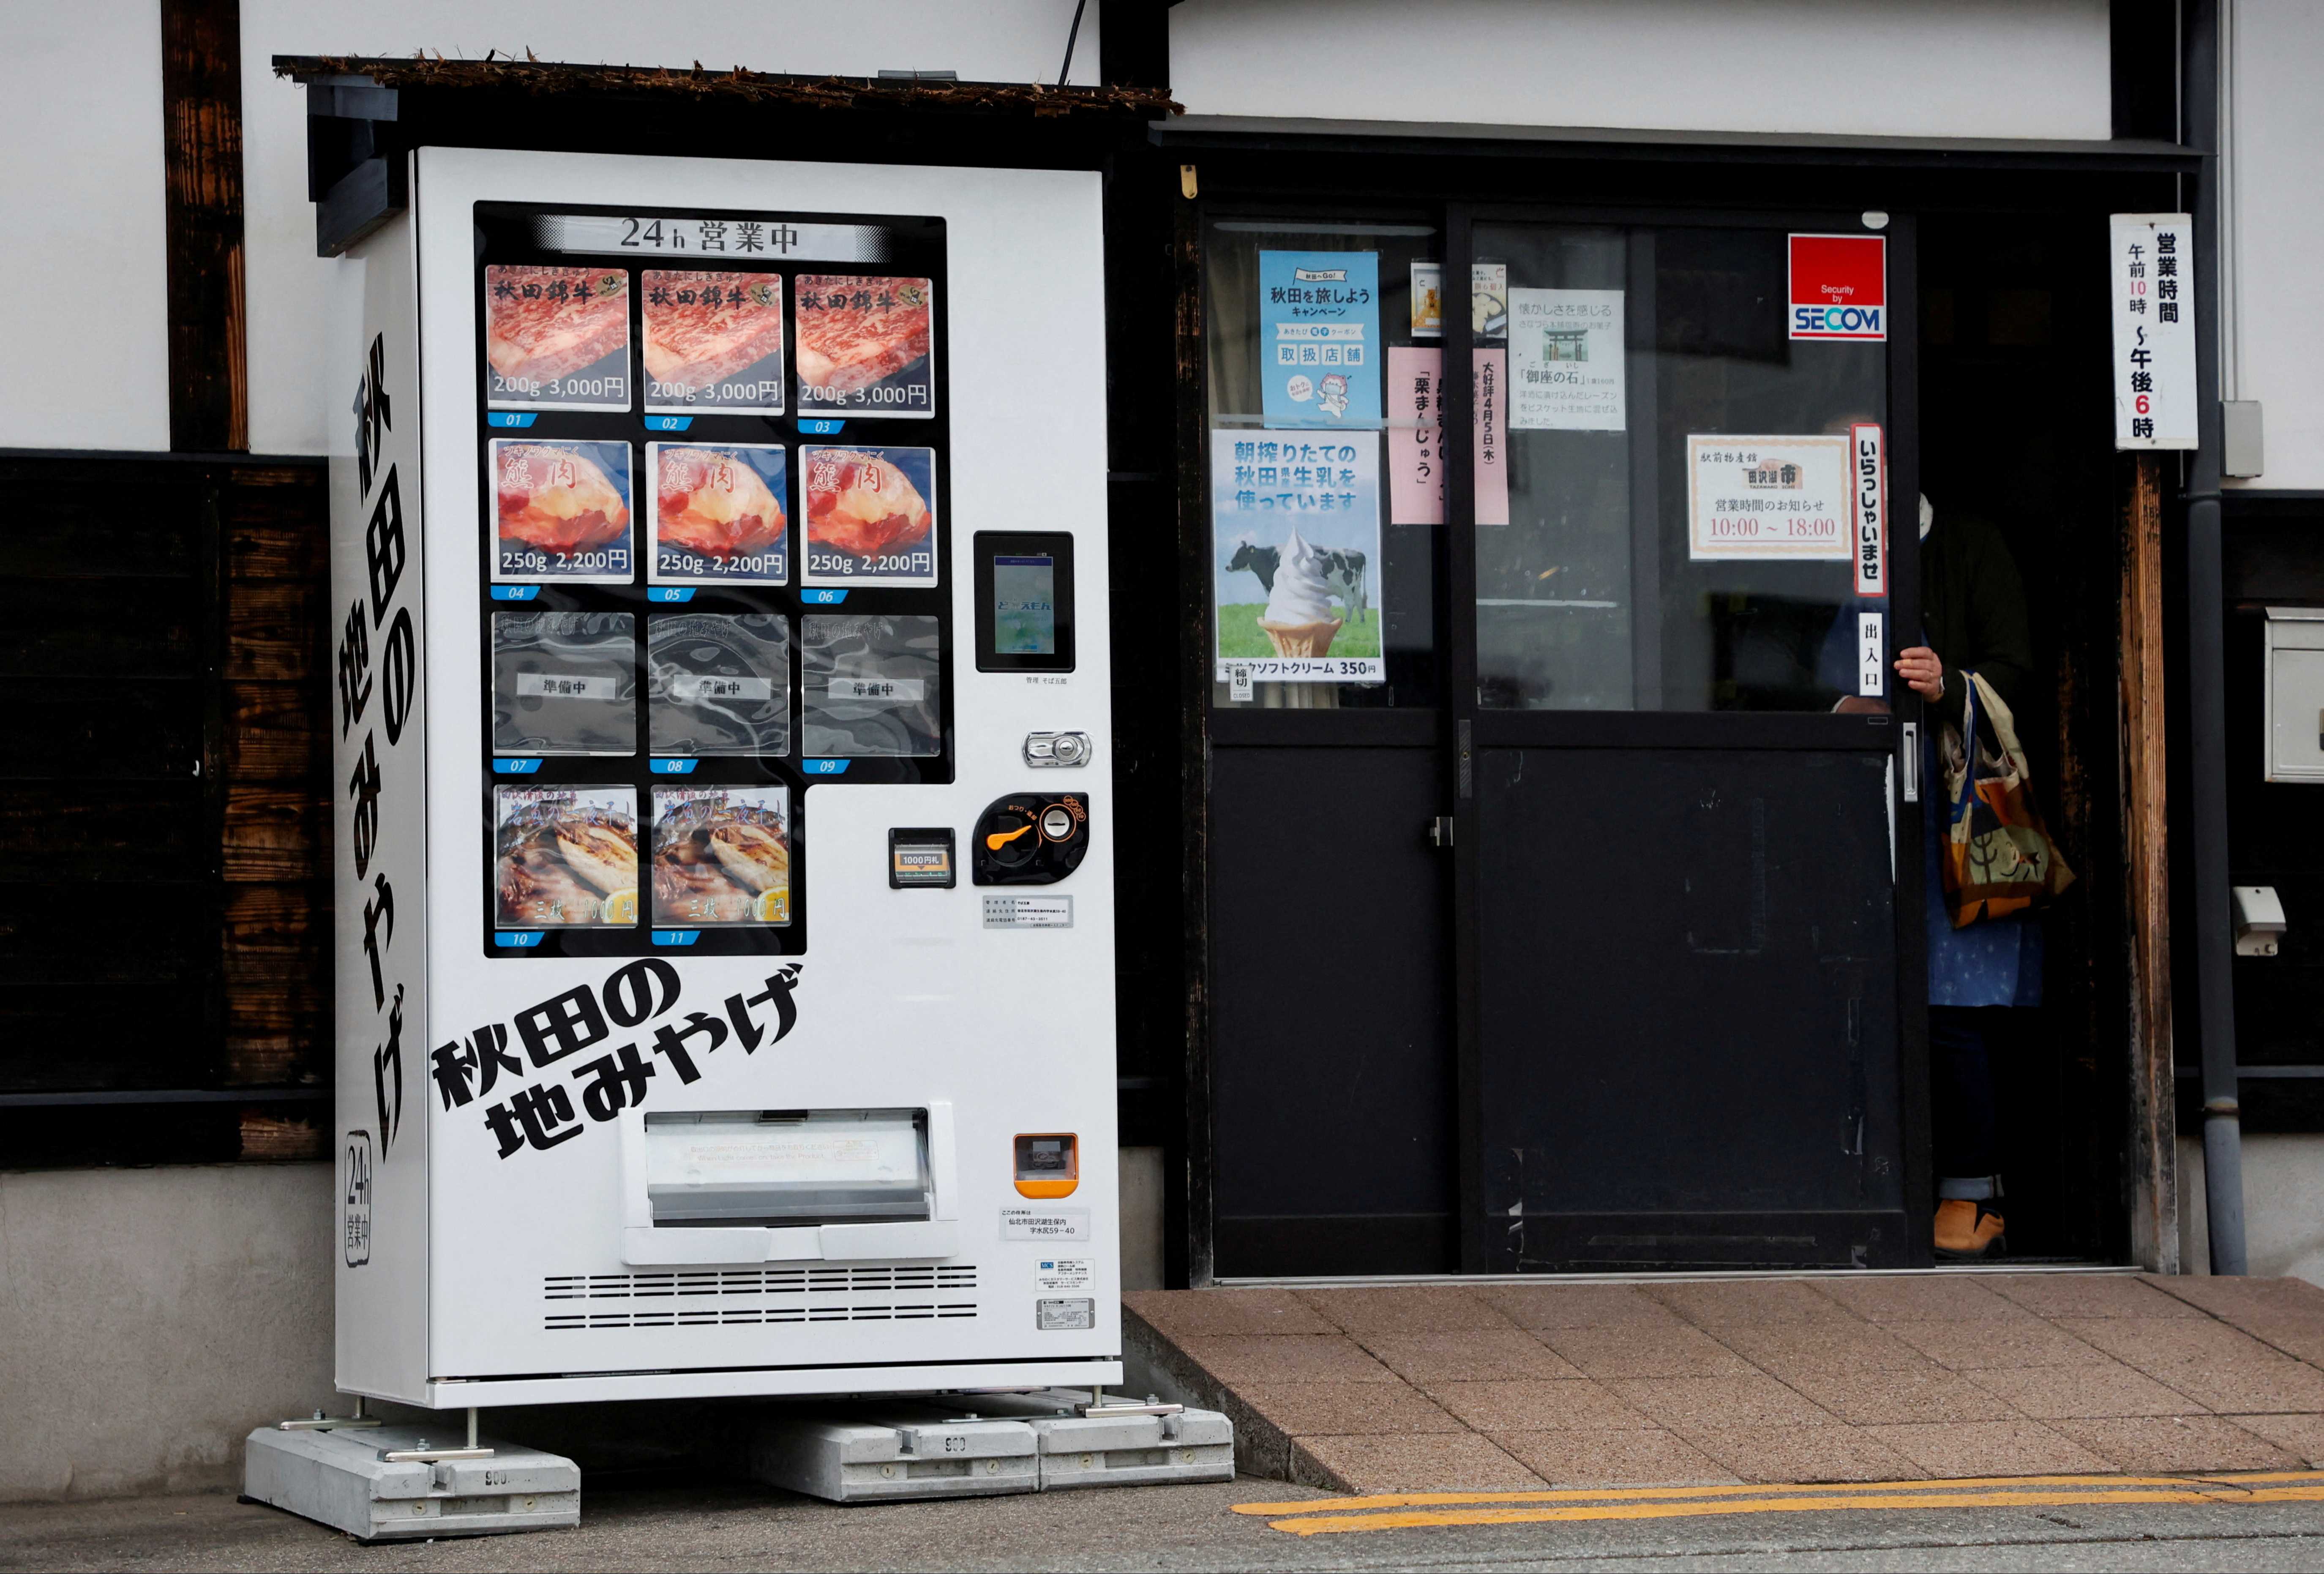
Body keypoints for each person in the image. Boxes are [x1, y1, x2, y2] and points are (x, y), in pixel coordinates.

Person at [1893, 495, 2038, 1260]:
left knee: (1956, 1001)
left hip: (1958, 806)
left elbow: (2017, 669)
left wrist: (1947, 681)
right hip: (1858, 799)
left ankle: (1973, 1194)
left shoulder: (1969, 541)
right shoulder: (1823, 545)